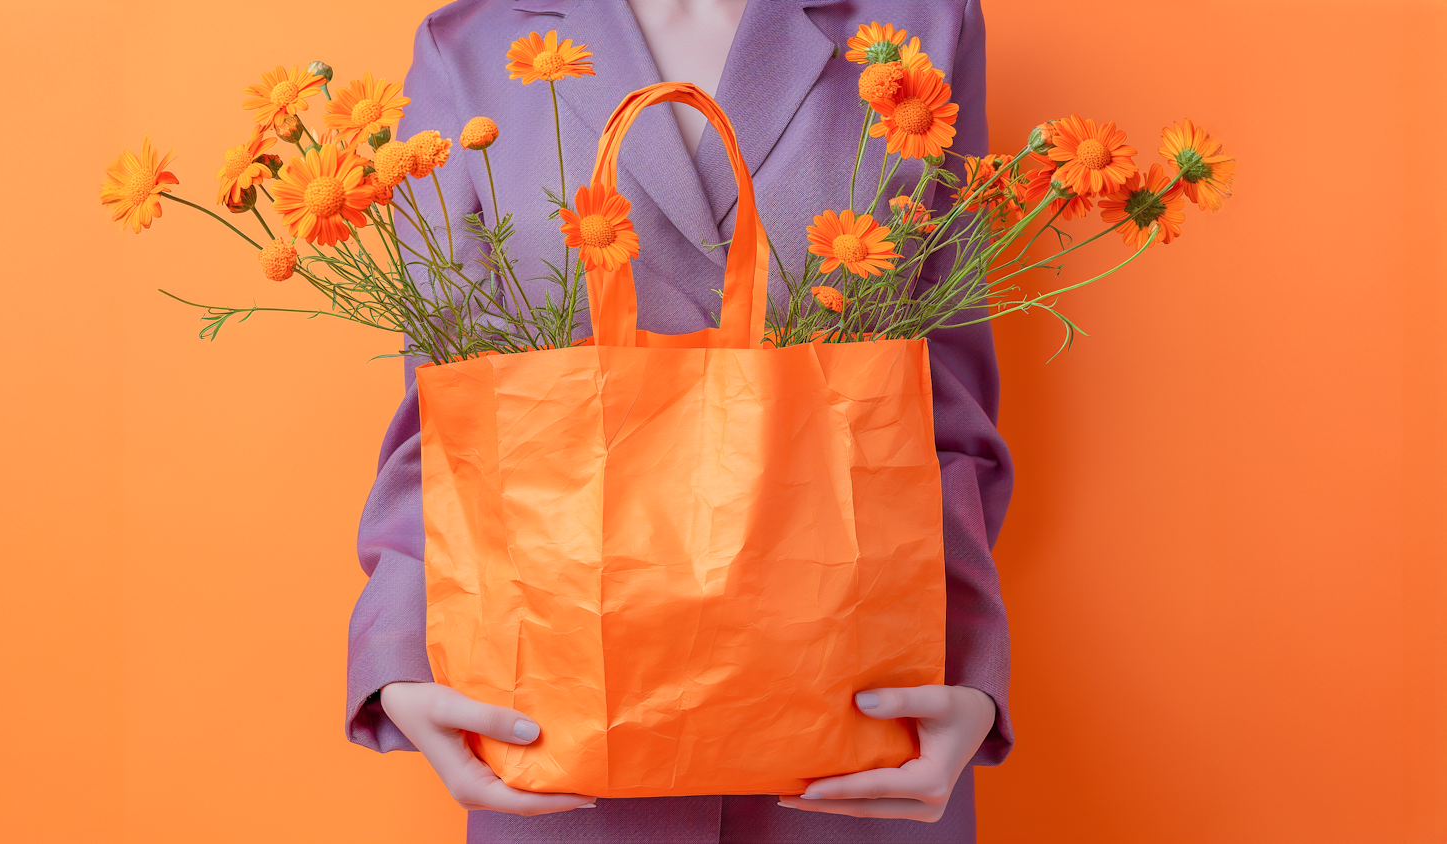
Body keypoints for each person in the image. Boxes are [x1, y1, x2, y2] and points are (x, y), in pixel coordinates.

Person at [347, 1, 1013, 841]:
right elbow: (446, 410)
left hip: (857, 733)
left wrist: (973, 673)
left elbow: (943, 397)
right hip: (560, 733)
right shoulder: (468, 45)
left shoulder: (917, 24)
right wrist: (399, 661)